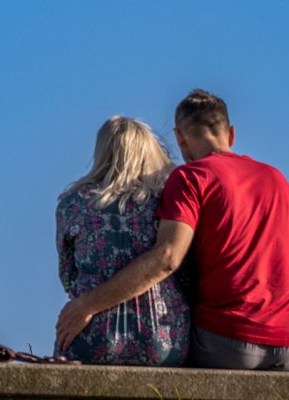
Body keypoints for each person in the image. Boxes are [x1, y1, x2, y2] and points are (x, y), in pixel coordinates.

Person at [56, 89, 289, 371]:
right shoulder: (277, 179)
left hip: (228, 340)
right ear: (231, 134)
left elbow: (168, 258)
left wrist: (88, 305)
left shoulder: (191, 177)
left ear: (180, 137)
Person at [55, 116, 191, 365]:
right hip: (163, 338)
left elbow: (68, 276)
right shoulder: (167, 201)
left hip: (90, 335)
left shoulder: (72, 204)